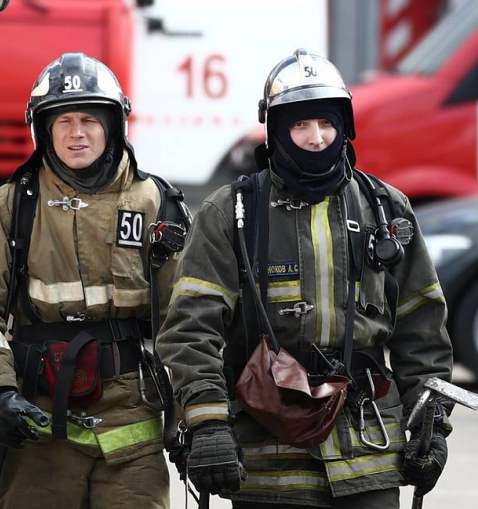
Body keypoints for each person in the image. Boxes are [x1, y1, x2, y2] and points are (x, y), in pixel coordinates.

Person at [156, 48, 454, 508]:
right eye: (299, 125)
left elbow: (423, 327)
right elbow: (189, 331)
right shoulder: (231, 213)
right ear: (276, 131)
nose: (316, 138)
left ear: (345, 127)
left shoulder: (386, 209)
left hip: (368, 451)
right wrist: (208, 422)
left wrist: (430, 421)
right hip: (266, 454)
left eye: (326, 123)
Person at [0, 52, 188, 508]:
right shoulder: (12, 206)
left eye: (89, 120)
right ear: (44, 130)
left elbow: (186, 321)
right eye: (63, 121)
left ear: (113, 126)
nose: (76, 133)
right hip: (37, 424)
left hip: (132, 428)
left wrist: (196, 417)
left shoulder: (157, 204)